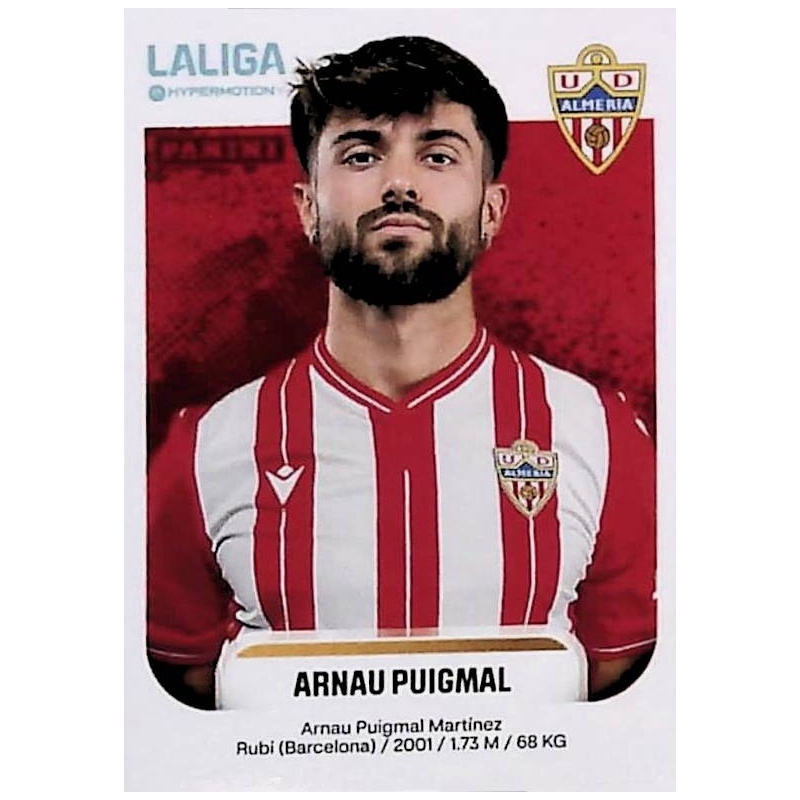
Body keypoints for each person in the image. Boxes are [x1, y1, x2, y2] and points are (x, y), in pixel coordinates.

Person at [146, 35, 656, 709]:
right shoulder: (206, 445)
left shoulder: (600, 432)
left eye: (438, 155)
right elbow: (181, 690)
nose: (400, 183)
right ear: (307, 207)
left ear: (492, 210)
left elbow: (621, 683)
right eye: (361, 154)